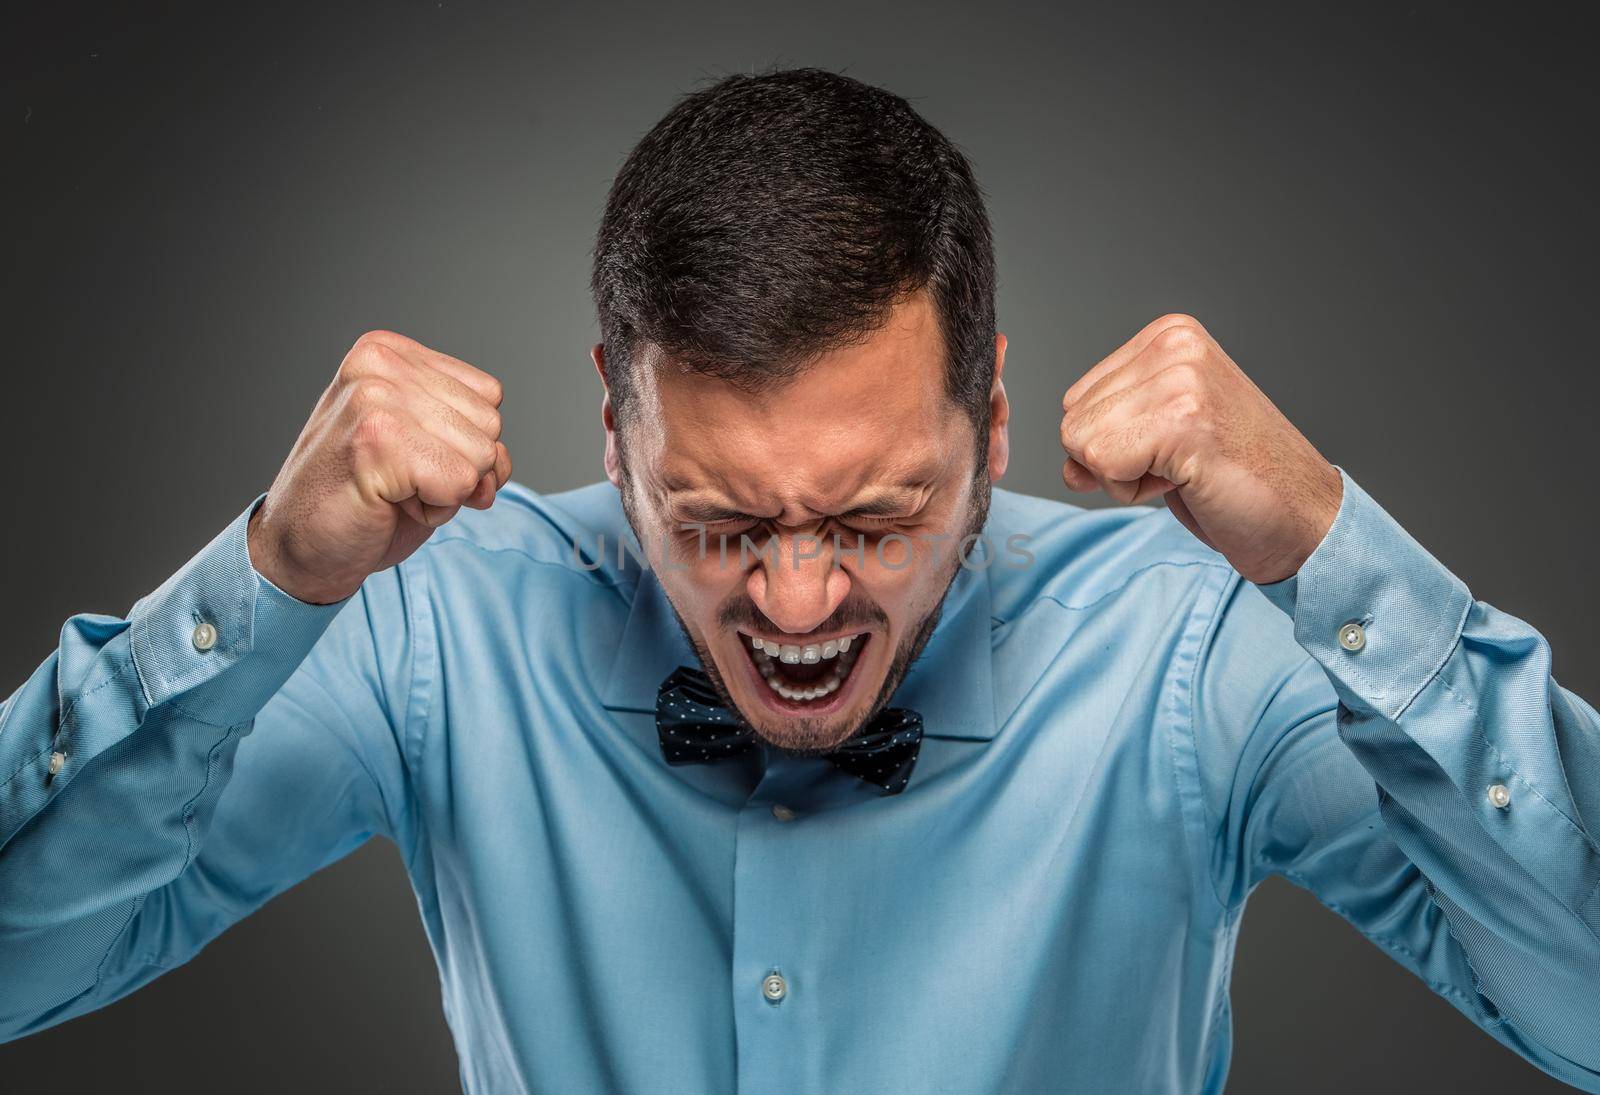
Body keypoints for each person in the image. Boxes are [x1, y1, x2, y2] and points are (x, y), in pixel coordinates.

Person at [1, 65, 1596, 1095]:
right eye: (719, 524)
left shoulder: (1182, 649)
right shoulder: (443, 626)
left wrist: (1329, 547)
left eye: (876, 517)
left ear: (993, 421)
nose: (801, 606)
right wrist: (266, 577)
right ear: (613, 430)